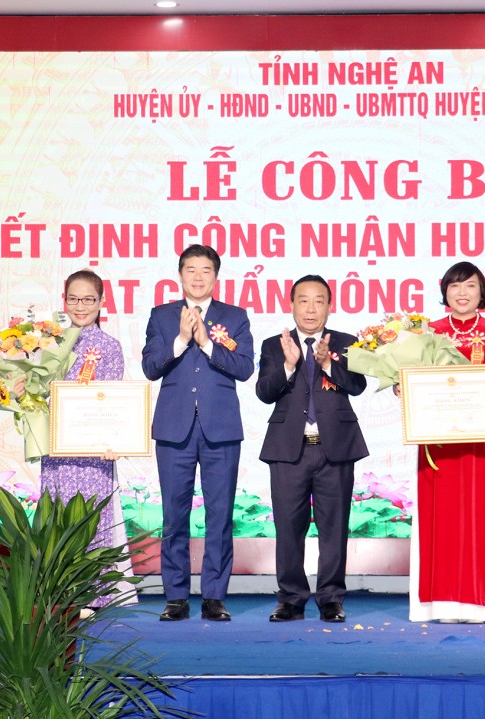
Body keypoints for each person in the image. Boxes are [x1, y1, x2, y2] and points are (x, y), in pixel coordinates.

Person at [141, 244, 254, 622]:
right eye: (191, 270)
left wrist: (206, 343)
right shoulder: (161, 316)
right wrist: (180, 340)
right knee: (173, 515)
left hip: (221, 428)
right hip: (174, 428)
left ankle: (214, 596)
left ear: (216, 277)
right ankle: (175, 596)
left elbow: (244, 368)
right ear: (180, 275)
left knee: (220, 515)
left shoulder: (234, 317)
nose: (198, 277)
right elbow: (150, 367)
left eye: (206, 270)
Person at [255, 275, 368, 624]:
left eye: (319, 301)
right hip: (288, 449)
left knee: (334, 528)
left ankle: (331, 599)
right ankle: (290, 599)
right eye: (303, 300)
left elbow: (358, 385)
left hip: (336, 448)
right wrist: (289, 366)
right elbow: (264, 392)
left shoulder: (347, 342)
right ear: (292, 305)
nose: (310, 308)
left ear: (329, 307)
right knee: (289, 528)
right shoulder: (275, 345)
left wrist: (327, 365)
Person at [409, 261, 485, 624]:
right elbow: (414, 380)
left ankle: (479, 602)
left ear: (481, 291)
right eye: (455, 286)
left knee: (480, 517)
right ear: (445, 292)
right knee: (441, 520)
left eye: (470, 285)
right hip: (438, 442)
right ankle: (440, 603)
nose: (462, 293)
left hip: (482, 441)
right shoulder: (429, 332)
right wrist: (401, 388)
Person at [32, 269, 135, 612]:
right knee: (56, 519)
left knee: (91, 521)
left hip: (93, 454)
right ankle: (57, 596)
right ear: (63, 301)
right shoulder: (47, 342)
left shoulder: (109, 347)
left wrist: (115, 440)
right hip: (57, 451)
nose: (80, 306)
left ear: (101, 302)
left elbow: (113, 402)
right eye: (73, 298)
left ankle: (92, 597)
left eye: (88, 299)